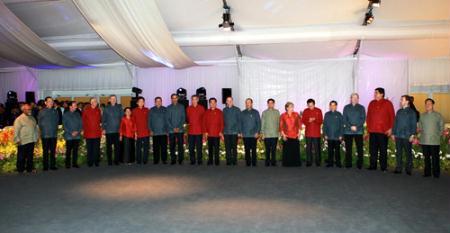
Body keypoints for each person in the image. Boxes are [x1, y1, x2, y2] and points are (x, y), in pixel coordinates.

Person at [366, 87, 395, 172]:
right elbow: (368, 117)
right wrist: (369, 128)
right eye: (374, 93)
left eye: (376, 93)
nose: (375, 94)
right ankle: (373, 165)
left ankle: (383, 167)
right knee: (373, 150)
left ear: (382, 94)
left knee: (383, 150)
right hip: (373, 131)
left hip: (383, 131)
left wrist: (391, 128)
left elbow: (392, 117)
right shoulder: (371, 103)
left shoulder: (388, 103)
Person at [418, 98, 444, 178]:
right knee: (426, 158)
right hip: (425, 140)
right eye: (426, 103)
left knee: (435, 158)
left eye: (429, 103)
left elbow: (441, 127)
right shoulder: (422, 116)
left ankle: (436, 174)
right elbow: (420, 127)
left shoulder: (438, 115)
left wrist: (437, 135)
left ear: (433, 105)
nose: (427, 105)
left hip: (434, 141)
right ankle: (427, 173)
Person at [392, 95, 417, 175]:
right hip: (398, 135)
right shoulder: (398, 111)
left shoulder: (412, 112)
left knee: (408, 153)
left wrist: (412, 135)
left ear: (407, 101)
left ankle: (408, 169)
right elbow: (395, 123)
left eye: (402, 100)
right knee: (398, 152)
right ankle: (398, 168)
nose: (400, 101)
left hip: (407, 136)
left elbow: (414, 124)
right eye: (400, 100)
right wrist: (393, 133)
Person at [343, 93, 366, 169]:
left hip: (358, 130)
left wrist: (356, 126)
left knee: (359, 148)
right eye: (353, 97)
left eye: (356, 98)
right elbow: (344, 119)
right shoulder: (346, 107)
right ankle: (348, 163)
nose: (355, 99)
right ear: (351, 98)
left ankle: (360, 164)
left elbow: (363, 119)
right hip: (348, 131)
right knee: (348, 148)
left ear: (358, 99)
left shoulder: (361, 108)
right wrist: (350, 126)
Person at [13, 104, 38, 173]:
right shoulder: (19, 119)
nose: (30, 110)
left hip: (31, 140)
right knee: (21, 157)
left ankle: (29, 169)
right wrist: (17, 140)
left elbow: (35, 129)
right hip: (22, 141)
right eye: (28, 109)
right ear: (23, 110)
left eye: (30, 109)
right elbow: (16, 131)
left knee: (30, 156)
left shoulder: (32, 118)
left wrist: (36, 138)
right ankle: (20, 169)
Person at [38, 97, 59, 171]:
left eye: (52, 101)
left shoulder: (55, 111)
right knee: (45, 151)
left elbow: (57, 122)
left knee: (53, 151)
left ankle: (53, 165)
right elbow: (39, 123)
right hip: (45, 135)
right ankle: (45, 166)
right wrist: (41, 132)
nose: (51, 102)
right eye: (49, 101)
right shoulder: (41, 111)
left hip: (53, 135)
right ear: (45, 102)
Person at [102, 95, 123, 166]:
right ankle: (110, 161)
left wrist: (121, 130)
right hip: (109, 131)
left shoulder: (119, 107)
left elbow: (122, 119)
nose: (114, 100)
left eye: (115, 99)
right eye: (112, 99)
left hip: (117, 131)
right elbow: (103, 119)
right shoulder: (106, 108)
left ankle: (116, 161)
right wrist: (104, 129)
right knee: (109, 148)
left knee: (117, 147)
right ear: (109, 100)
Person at [279, 102, 302, 167]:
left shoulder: (296, 114)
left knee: (295, 150)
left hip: (295, 135)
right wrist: (283, 135)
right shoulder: (283, 115)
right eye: (290, 107)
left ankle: (296, 164)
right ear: (287, 108)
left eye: (292, 107)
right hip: (286, 135)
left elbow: (299, 124)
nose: (292, 108)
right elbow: (281, 126)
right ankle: (287, 164)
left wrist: (299, 133)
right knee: (287, 151)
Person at [302, 99, 323, 167]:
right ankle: (309, 161)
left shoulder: (318, 110)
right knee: (309, 148)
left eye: (311, 105)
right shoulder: (305, 111)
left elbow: (321, 121)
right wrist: (309, 121)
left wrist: (315, 119)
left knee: (317, 148)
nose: (310, 107)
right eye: (309, 105)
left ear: (314, 104)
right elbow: (303, 121)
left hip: (316, 133)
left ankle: (318, 161)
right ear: (307, 105)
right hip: (308, 133)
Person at [203, 98, 224, 166]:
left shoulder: (220, 112)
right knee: (210, 148)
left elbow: (222, 123)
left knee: (217, 149)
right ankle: (210, 160)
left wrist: (221, 131)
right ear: (209, 103)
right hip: (209, 134)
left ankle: (217, 161)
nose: (212, 104)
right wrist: (205, 131)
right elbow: (204, 122)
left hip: (217, 134)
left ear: (216, 103)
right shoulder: (206, 112)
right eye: (211, 102)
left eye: (214, 102)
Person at [240, 98, 261, 167]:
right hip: (245, 135)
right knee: (247, 149)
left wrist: (257, 132)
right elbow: (241, 124)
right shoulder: (242, 113)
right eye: (246, 102)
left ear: (251, 103)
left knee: (254, 149)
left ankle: (254, 163)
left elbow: (259, 123)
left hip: (253, 135)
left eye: (249, 102)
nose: (247, 104)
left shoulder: (256, 112)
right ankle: (248, 163)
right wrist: (241, 132)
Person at [323, 101, 344, 168]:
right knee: (330, 151)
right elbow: (325, 125)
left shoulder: (339, 114)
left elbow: (341, 125)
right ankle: (330, 163)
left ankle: (338, 163)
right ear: (329, 106)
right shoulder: (326, 114)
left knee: (337, 151)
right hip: (329, 136)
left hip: (337, 136)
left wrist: (341, 135)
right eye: (331, 105)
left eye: (334, 105)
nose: (332, 106)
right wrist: (325, 134)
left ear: (336, 106)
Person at [166, 94, 186, 165]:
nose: (174, 99)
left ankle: (180, 159)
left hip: (180, 130)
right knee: (172, 146)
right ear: (171, 99)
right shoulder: (168, 107)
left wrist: (178, 127)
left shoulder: (181, 107)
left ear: (177, 99)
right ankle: (173, 159)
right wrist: (173, 128)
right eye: (173, 98)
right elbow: (167, 119)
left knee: (180, 145)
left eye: (175, 98)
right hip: (171, 130)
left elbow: (183, 118)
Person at [82, 98, 102, 167]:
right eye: (93, 101)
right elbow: (83, 121)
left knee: (97, 148)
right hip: (88, 133)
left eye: (96, 101)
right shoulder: (86, 110)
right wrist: (83, 130)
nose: (95, 102)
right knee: (89, 149)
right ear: (90, 102)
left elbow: (100, 121)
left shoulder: (98, 110)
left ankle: (96, 161)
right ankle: (90, 162)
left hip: (97, 133)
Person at [186, 95, 206, 165]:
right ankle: (192, 160)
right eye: (192, 99)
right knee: (191, 147)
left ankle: (199, 160)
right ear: (191, 100)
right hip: (191, 131)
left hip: (199, 131)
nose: (194, 101)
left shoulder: (201, 108)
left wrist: (204, 133)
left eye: (195, 99)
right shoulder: (188, 108)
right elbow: (188, 119)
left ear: (198, 100)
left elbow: (203, 121)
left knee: (199, 147)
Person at [62, 101, 82, 168]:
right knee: (68, 150)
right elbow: (64, 126)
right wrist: (71, 132)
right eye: (74, 105)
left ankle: (74, 163)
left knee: (75, 150)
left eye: (76, 105)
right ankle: (67, 164)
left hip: (77, 135)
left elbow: (81, 124)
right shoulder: (65, 114)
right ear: (70, 106)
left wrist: (78, 131)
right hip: (69, 136)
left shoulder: (78, 114)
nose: (76, 107)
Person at [261, 98, 280, 166]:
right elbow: (262, 123)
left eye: (272, 103)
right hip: (267, 134)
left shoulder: (277, 112)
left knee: (274, 150)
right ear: (267, 104)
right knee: (268, 149)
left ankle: (273, 162)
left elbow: (278, 123)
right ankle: (267, 162)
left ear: (274, 104)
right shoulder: (264, 112)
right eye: (269, 103)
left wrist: (279, 133)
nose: (270, 104)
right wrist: (262, 133)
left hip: (275, 134)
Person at [149, 97, 168, 164]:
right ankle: (156, 160)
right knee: (156, 147)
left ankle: (164, 160)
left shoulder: (165, 109)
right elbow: (149, 121)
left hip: (163, 132)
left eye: (159, 101)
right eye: (157, 101)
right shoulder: (151, 110)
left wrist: (167, 130)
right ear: (155, 102)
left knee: (164, 147)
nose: (158, 102)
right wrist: (151, 130)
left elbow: (167, 121)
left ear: (161, 101)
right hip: (155, 132)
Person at [223, 97, 241, 166]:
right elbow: (223, 121)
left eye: (230, 100)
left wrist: (239, 132)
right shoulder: (224, 110)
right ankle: (228, 160)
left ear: (232, 101)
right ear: (226, 102)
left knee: (234, 147)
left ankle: (234, 161)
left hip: (234, 132)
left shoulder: (237, 109)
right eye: (228, 100)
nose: (229, 101)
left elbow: (239, 121)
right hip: (226, 132)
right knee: (227, 147)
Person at [132, 97, 150, 165]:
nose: (141, 102)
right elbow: (133, 122)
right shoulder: (134, 110)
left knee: (146, 147)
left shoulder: (147, 110)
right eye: (140, 101)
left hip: (146, 132)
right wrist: (135, 132)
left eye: (143, 101)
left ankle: (145, 160)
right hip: (138, 132)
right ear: (137, 103)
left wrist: (149, 130)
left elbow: (149, 121)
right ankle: (138, 160)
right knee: (138, 148)